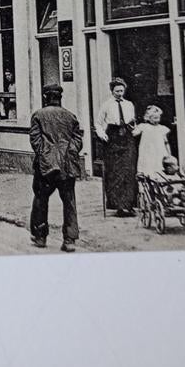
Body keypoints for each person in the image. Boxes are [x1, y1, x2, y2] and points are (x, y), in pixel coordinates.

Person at [28, 84, 83, 252]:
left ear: (46, 97)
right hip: (67, 166)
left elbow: (35, 140)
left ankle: (40, 236)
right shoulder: (70, 116)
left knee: (40, 199)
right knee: (69, 201)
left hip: (46, 165)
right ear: (60, 98)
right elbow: (78, 139)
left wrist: (45, 154)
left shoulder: (38, 115)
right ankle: (69, 240)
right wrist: (70, 152)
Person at [94, 77, 138, 216]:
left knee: (129, 171)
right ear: (112, 91)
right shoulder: (106, 105)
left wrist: (134, 130)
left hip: (127, 137)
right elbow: (98, 123)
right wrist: (102, 135)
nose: (119, 93)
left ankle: (129, 204)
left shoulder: (129, 104)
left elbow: (133, 121)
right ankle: (117, 205)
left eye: (122, 90)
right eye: (117, 91)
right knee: (114, 171)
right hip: (112, 138)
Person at [132, 105, 172, 177]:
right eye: (154, 118)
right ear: (148, 118)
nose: (156, 120)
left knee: (160, 170)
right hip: (147, 153)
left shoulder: (162, 128)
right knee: (148, 170)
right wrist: (133, 125)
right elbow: (134, 133)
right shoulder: (144, 126)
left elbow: (166, 142)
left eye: (158, 117)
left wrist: (169, 155)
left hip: (160, 152)